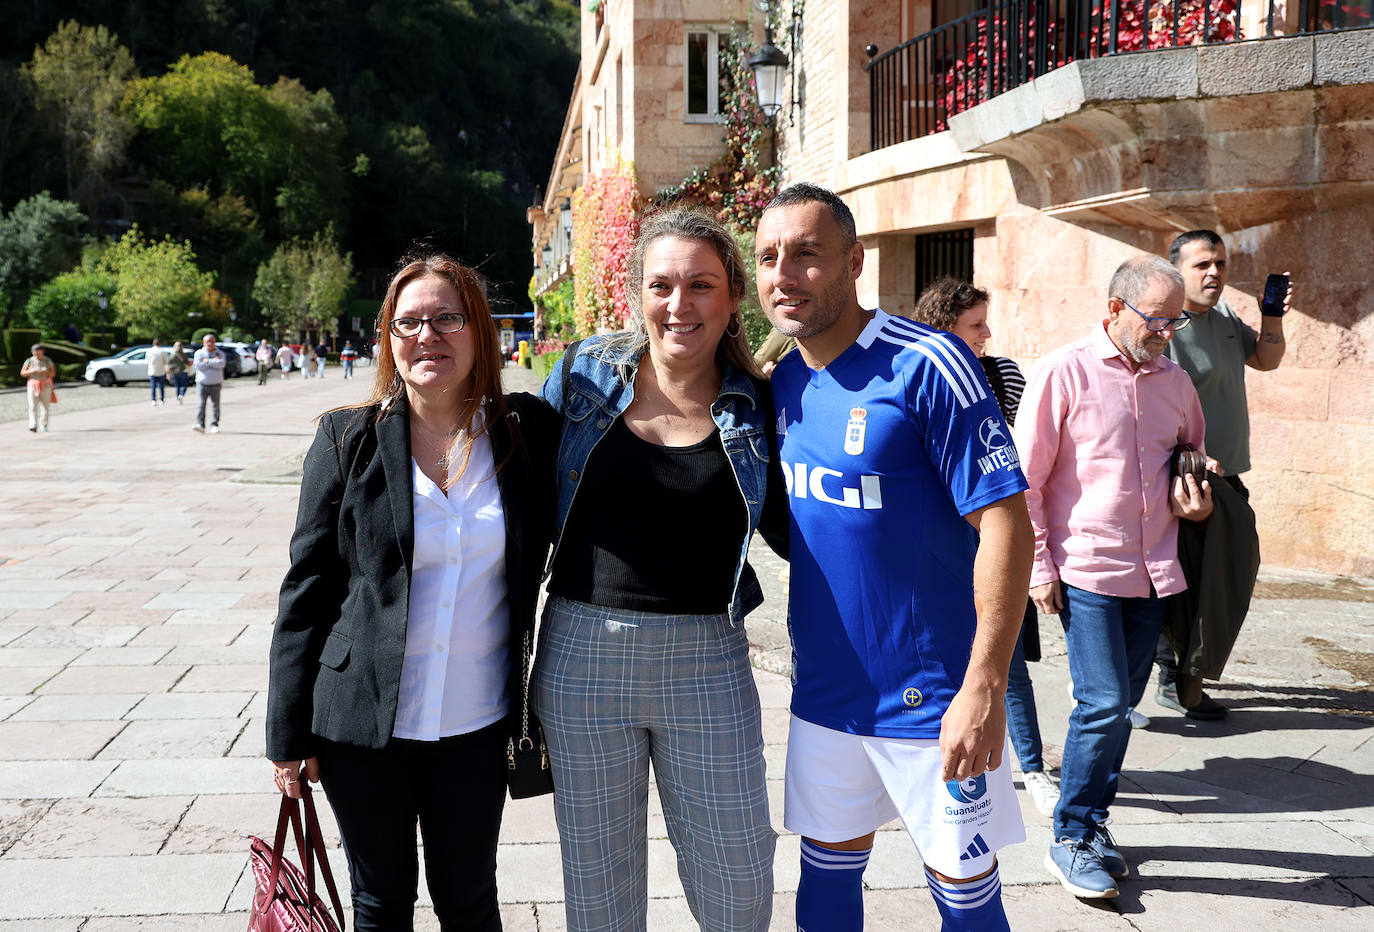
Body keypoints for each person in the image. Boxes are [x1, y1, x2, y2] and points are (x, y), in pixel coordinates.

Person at [755, 184, 1033, 932]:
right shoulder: (779, 379)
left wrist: (984, 688)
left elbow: (1007, 520)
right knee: (824, 897)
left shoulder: (928, 362)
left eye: (807, 254)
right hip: (824, 699)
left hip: (934, 700)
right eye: (768, 257)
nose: (784, 273)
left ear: (855, 261)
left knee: (969, 906)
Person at [266, 254, 558, 931]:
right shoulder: (346, 439)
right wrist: (287, 733)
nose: (428, 336)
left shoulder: (524, 435)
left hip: (477, 725)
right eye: (409, 323)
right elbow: (305, 588)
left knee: (469, 901)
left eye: (447, 318)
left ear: (478, 331)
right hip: (361, 727)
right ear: (388, 340)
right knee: (379, 904)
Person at [535, 208, 787, 932]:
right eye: (663, 285)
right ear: (637, 293)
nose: (680, 305)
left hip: (709, 657)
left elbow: (800, 534)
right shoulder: (584, 374)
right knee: (599, 890)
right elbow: (513, 492)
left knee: (738, 879)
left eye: (702, 285)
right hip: (582, 655)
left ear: (734, 295)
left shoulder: (758, 402)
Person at [1015, 255, 1213, 899]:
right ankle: (1070, 837)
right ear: (1114, 309)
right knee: (1101, 704)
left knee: (1120, 709)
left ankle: (1094, 824)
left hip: (1156, 570)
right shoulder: (1061, 372)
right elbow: (1027, 483)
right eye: (1156, 319)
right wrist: (1038, 567)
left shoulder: (1177, 382)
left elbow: (1193, 461)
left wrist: (1197, 498)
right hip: (1086, 568)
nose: (1167, 331)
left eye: (1176, 319)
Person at [910, 276, 1060, 820]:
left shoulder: (1005, 376)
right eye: (976, 325)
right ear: (945, 326)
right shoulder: (914, 373)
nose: (987, 334)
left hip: (991, 543)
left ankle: (1035, 770)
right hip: (937, 551)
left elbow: (1016, 463)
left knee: (1007, 662)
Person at [1154, 230, 1291, 721]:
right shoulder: (1166, 329)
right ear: (1176, 272)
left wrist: (1271, 316)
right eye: (1202, 265)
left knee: (1221, 577)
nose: (1214, 273)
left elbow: (1266, 360)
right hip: (1191, 478)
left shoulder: (1227, 318)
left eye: (1221, 264)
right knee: (1191, 584)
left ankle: (1177, 676)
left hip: (1230, 474)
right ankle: (1167, 678)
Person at [192, 334, 226, 433]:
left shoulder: (220, 353)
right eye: (208, 341)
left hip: (216, 383)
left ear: (215, 342)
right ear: (204, 343)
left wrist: (207, 362)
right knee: (201, 404)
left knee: (216, 405)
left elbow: (221, 364)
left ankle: (214, 424)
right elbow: (198, 365)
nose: (210, 343)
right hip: (202, 383)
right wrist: (213, 362)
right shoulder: (199, 353)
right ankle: (200, 424)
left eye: (212, 341)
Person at [21, 344, 57, 433]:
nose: (37, 354)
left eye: (39, 352)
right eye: (35, 352)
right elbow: (22, 373)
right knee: (32, 406)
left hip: (45, 385)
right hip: (33, 385)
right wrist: (31, 371)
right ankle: (33, 424)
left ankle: (44, 425)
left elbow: (53, 373)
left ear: (42, 352)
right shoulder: (29, 361)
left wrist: (46, 372)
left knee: (45, 406)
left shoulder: (48, 361)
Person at [146, 338, 169, 407]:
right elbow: (166, 362)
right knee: (161, 386)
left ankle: (153, 400)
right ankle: (161, 399)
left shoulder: (149, 351)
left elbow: (147, 361)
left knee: (153, 386)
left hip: (152, 371)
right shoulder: (162, 351)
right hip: (161, 371)